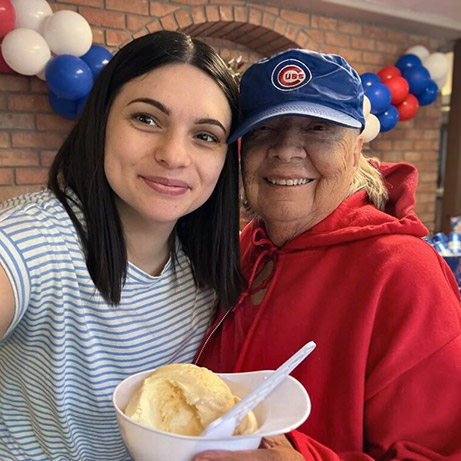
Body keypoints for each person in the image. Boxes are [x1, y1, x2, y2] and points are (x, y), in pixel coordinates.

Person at [195, 49, 461, 460]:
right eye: (264, 130)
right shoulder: (245, 247)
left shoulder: (406, 273)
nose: (286, 151)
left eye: (318, 128)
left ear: (356, 150)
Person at [0, 30, 243, 460]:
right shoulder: (33, 240)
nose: (173, 155)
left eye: (205, 136)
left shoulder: (203, 266)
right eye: (147, 119)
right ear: (101, 121)